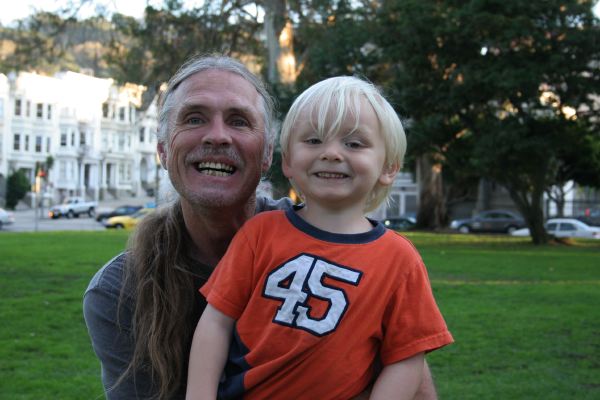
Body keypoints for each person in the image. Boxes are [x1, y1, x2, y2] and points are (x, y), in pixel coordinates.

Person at [83, 55, 441, 400]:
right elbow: (215, 327)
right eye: (194, 119)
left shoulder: (393, 258)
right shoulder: (118, 291)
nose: (217, 137)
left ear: (269, 154)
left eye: (239, 121)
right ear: (162, 149)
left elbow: (407, 363)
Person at [186, 76, 453, 400]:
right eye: (313, 140)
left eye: (354, 144)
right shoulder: (259, 233)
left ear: (389, 167)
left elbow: (406, 357)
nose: (331, 153)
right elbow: (216, 323)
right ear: (287, 161)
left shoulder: (400, 260)